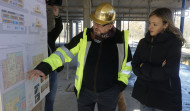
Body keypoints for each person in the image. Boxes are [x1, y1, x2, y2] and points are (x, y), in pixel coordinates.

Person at [28, 2, 132, 111]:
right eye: (94, 22)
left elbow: (127, 65)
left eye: (100, 24)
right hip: (85, 93)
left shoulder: (120, 41)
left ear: (110, 25)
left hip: (109, 94)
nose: (95, 26)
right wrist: (45, 67)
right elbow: (63, 53)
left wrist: (120, 86)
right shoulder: (85, 36)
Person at [131, 8, 185, 111]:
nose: (150, 27)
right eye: (150, 23)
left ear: (165, 25)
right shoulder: (143, 42)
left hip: (164, 98)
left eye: (155, 24)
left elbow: (166, 73)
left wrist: (144, 67)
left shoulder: (174, 43)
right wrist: (157, 70)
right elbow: (135, 66)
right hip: (144, 97)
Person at [45, 5, 63, 111]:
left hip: (52, 72)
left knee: (50, 99)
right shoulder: (31, 39)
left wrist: (57, 15)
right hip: (39, 72)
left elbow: (59, 28)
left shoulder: (49, 36)